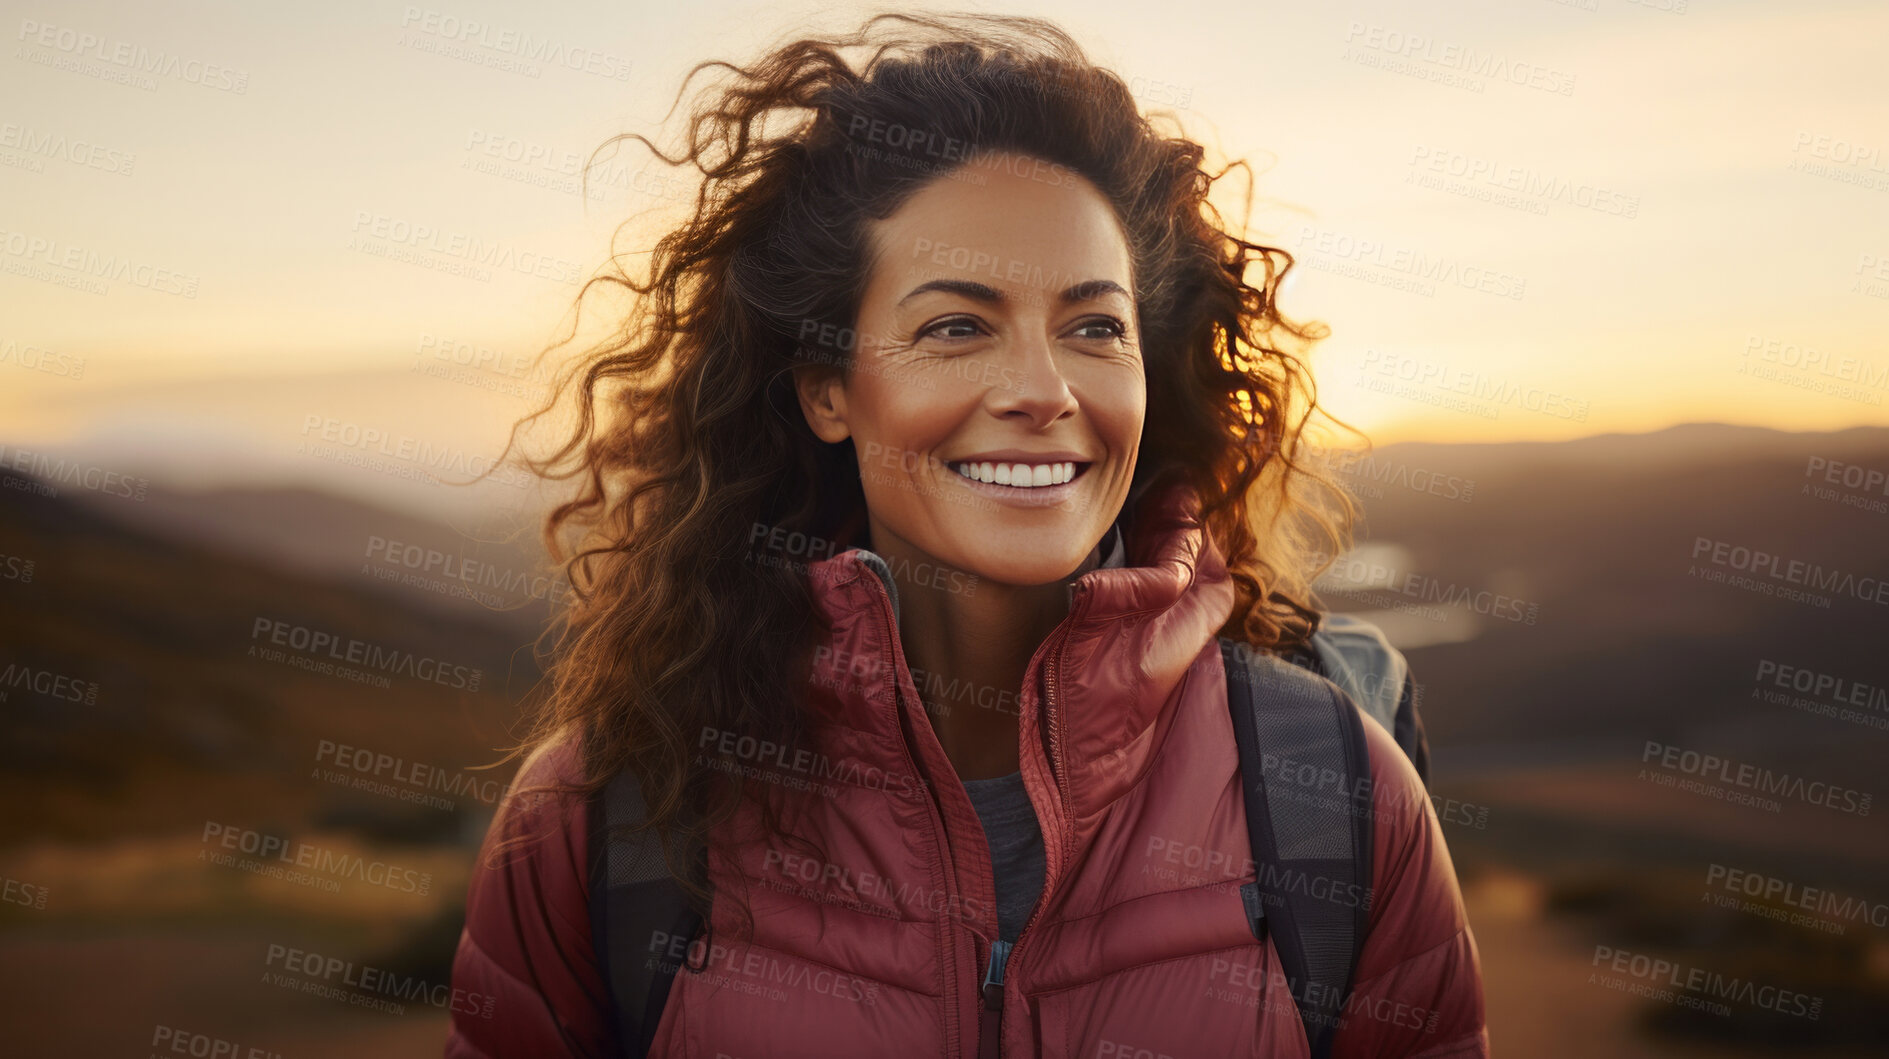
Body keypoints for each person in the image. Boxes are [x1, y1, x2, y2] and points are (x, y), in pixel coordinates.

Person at [446, 11, 1487, 1057]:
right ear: (826, 390)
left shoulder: (1333, 789)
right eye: (955, 327)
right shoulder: (604, 817)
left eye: (1092, 327)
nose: (1042, 390)